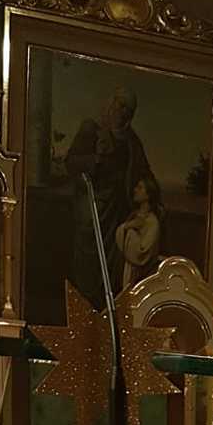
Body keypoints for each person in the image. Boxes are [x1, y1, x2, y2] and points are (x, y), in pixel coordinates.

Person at [64, 86, 154, 304]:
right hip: (92, 206)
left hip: (117, 211)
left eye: (127, 110)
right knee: (89, 261)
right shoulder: (92, 129)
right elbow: (71, 162)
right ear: (112, 104)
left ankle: (106, 307)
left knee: (112, 265)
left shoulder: (131, 141)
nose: (122, 112)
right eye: (120, 105)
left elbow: (144, 173)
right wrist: (94, 160)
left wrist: (154, 200)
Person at [115, 175, 163, 288]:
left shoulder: (152, 222)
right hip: (128, 269)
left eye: (140, 188)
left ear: (148, 195)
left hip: (139, 275)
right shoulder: (134, 215)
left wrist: (131, 232)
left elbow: (142, 252)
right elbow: (121, 233)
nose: (135, 190)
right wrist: (127, 227)